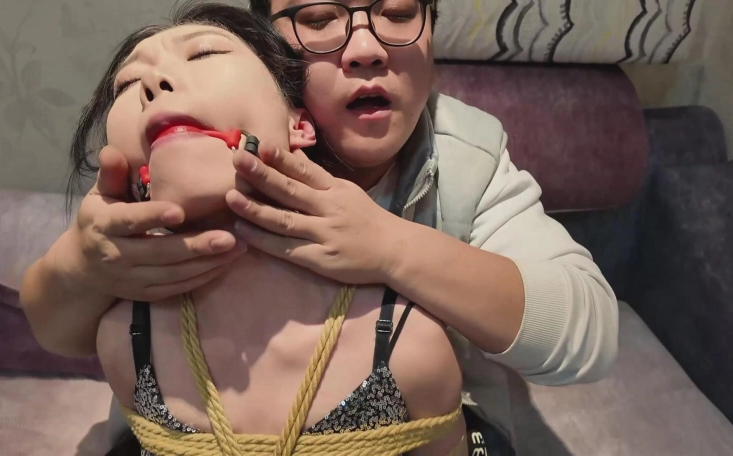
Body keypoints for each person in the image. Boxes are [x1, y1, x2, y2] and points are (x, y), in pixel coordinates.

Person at [20, 0, 619, 451]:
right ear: (271, 47)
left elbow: (586, 334)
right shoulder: (154, 175)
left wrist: (391, 247)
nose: (366, 48)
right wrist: (80, 266)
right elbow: (60, 328)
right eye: (319, 18)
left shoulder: (466, 157)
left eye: (399, 12)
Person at [65, 3, 466, 455]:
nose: (154, 83)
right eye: (128, 83)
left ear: (300, 125)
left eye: (204, 54)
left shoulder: (410, 345)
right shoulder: (123, 339)